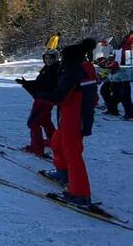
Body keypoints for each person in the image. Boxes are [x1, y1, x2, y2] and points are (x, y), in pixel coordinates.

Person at [36, 41, 98, 206]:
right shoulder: (83, 69)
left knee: (73, 155)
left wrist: (39, 94)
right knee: (56, 143)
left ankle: (80, 193)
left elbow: (60, 96)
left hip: (74, 121)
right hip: (68, 119)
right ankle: (63, 173)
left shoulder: (74, 72)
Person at [16, 49, 60, 157]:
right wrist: (25, 83)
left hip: (45, 99)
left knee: (33, 122)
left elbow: (44, 86)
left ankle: (37, 148)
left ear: (56, 58)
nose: (48, 60)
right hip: (43, 98)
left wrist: (28, 85)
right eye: (46, 58)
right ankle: (54, 142)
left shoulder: (54, 70)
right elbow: (39, 83)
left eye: (50, 58)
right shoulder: (48, 68)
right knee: (45, 121)